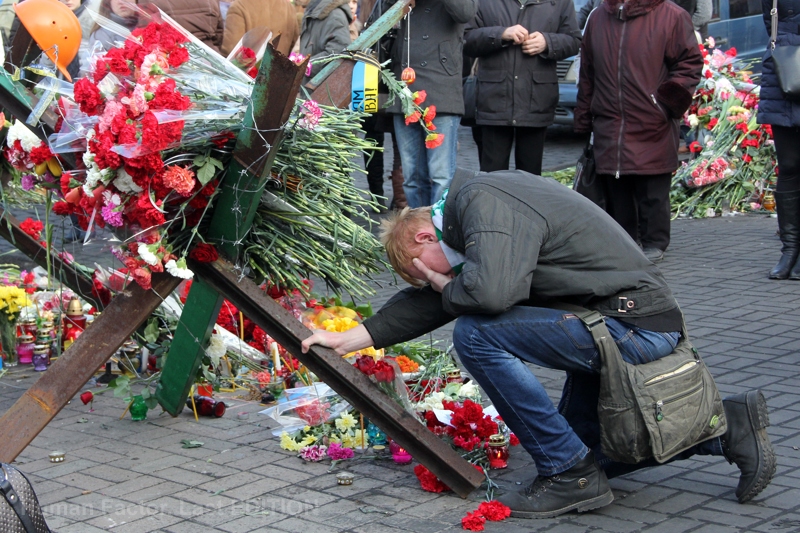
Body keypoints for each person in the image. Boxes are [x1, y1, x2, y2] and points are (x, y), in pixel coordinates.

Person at [302, 168, 776, 517]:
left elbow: (486, 296)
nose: (427, 279)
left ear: (426, 235)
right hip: (620, 320)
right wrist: (348, 340)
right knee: (595, 449)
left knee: (476, 334)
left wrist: (446, 286)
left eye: (419, 269)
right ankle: (726, 430)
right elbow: (440, 299)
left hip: (634, 327)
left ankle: (567, 474)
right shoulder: (470, 218)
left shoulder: (481, 204)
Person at [574, 0, 703, 263]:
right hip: (610, 122)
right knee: (616, 188)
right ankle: (623, 240)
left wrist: (665, 104)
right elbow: (588, 73)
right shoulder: (598, 18)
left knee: (652, 188)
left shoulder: (672, 16)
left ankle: (655, 242)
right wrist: (585, 117)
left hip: (651, 120)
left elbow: (689, 64)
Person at [463, 0, 580, 175]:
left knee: (530, 179)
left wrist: (547, 42)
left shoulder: (561, 2)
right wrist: (500, 34)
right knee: (492, 179)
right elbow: (466, 38)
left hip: (536, 99)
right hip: (495, 100)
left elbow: (574, 40)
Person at [384, 0, 478, 208]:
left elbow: (465, 12)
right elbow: (382, 16)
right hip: (405, 85)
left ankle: (439, 233)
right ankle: (419, 233)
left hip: (441, 87)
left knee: (441, 175)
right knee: (411, 177)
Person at [759, 0, 800, 280]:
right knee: (788, 164)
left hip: (788, 63)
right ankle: (790, 249)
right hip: (786, 71)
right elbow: (769, 20)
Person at [299, 0, 357, 79]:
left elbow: (338, 53)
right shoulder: (312, 14)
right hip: (310, 87)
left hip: (322, 89)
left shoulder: (334, 16)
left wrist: (304, 66)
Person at [221, 0, 299, 57]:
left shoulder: (240, 5)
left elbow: (230, 49)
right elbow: (294, 43)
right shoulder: (289, 9)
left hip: (245, 76)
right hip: (277, 74)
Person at [142, 0, 224, 52]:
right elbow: (218, 34)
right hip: (209, 61)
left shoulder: (149, 2)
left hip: (172, 65)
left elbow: (144, 36)